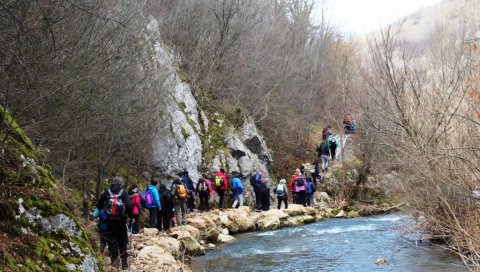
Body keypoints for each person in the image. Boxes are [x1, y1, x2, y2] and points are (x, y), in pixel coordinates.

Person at [94, 176, 132, 269]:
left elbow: (99, 206)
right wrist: (131, 217)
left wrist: (94, 215)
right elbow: (129, 205)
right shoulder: (124, 193)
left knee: (112, 241)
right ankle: (124, 264)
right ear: (120, 184)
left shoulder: (106, 193)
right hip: (121, 221)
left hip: (109, 221)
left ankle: (114, 262)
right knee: (122, 241)